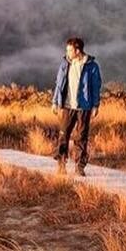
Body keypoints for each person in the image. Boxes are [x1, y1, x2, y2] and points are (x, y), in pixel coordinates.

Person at [52, 35, 102, 174]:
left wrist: (95, 105)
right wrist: (55, 102)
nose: (67, 53)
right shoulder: (65, 63)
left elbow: (96, 86)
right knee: (63, 135)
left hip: (84, 107)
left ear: (77, 50)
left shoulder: (91, 66)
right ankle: (61, 165)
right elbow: (58, 84)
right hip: (67, 106)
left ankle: (79, 167)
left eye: (70, 50)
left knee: (81, 138)